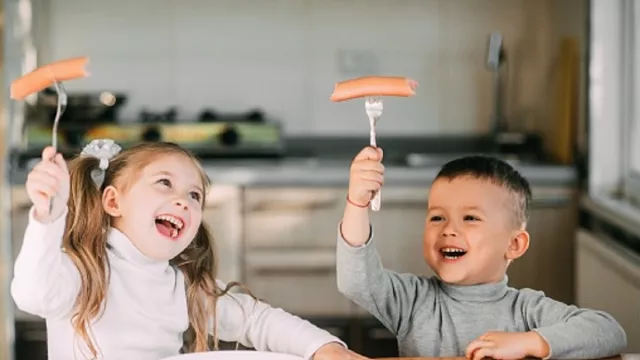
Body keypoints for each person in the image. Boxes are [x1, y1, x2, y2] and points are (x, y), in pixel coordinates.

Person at [12, 140, 367, 360]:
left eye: (194, 195)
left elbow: (257, 320)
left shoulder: (182, 286)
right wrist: (49, 216)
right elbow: (33, 296)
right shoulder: (83, 270)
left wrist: (323, 348)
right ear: (113, 201)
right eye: (164, 183)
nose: (181, 201)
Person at [335, 146, 627, 360]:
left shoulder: (527, 310)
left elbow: (609, 331)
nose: (448, 229)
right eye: (437, 217)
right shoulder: (411, 301)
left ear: (514, 245)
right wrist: (357, 204)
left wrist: (528, 343)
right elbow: (355, 281)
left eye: (470, 218)